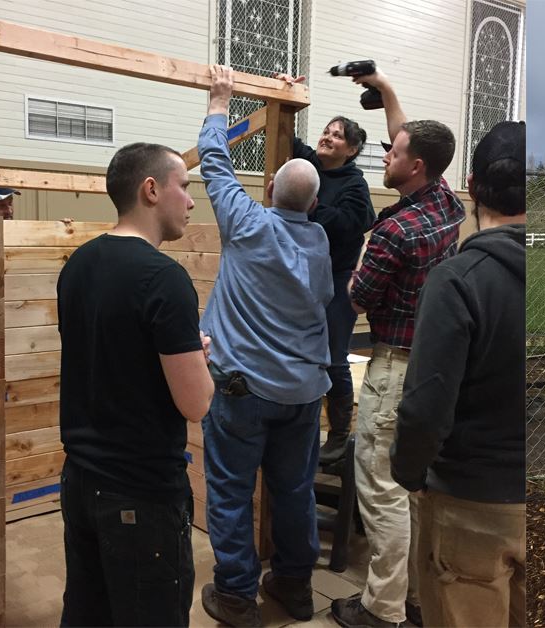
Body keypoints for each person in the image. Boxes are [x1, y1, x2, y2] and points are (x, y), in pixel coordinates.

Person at [195, 64, 335, 628]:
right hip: (302, 393)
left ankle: (235, 597)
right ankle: (295, 588)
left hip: (241, 391)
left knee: (230, 495)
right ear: (315, 204)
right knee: (294, 489)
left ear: (270, 189)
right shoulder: (320, 241)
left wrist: (219, 101)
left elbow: (215, 164)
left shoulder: (247, 224)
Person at [56, 143, 213, 626]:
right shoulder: (164, 279)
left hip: (81, 480)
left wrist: (182, 350)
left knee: (87, 612)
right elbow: (196, 403)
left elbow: (111, 356)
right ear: (150, 190)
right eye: (184, 187)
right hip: (139, 493)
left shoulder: (78, 264)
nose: (190, 201)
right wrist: (199, 361)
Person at [331, 70, 466, 628]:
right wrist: (383, 88)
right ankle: (411, 598)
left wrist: (353, 266)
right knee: (410, 486)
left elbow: (358, 299)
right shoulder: (447, 205)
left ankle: (381, 609)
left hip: (390, 367)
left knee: (381, 488)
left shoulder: (394, 231)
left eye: (394, 152)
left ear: (415, 167)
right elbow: (410, 136)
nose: (385, 153)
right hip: (430, 368)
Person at [390, 120, 526, 627]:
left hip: (471, 501)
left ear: (471, 184)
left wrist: (410, 473)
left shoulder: (457, 281)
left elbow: (426, 406)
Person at [293, 111, 374, 467]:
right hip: (299, 274)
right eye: (325, 131)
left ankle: (339, 434)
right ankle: (300, 422)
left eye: (337, 136)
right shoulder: (308, 162)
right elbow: (284, 134)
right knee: (298, 349)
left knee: (333, 358)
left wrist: (311, 208)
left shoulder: (354, 185)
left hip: (337, 278)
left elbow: (351, 224)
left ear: (352, 149)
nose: (326, 138)